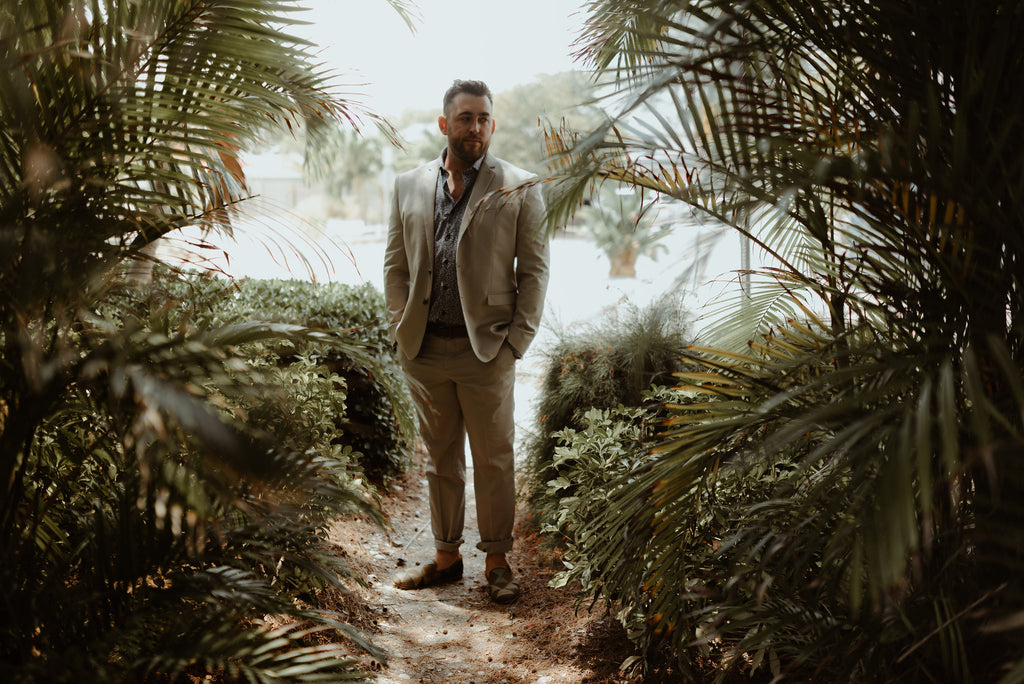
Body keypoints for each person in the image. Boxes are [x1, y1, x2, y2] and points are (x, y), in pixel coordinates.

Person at [383, 79, 549, 604]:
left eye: (482, 118)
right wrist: (399, 327)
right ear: (444, 124)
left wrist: (515, 343)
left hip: (488, 351)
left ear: (492, 125)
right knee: (440, 457)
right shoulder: (408, 185)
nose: (474, 127)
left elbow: (536, 272)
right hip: (425, 351)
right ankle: (446, 558)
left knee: (495, 457)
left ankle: (498, 562)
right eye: (465, 118)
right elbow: (395, 268)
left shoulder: (519, 185)